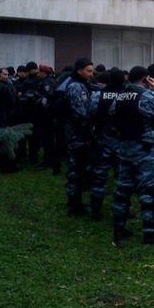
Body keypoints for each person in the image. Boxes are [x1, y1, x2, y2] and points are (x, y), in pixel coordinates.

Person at [111, 66, 154, 245]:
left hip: (125, 147)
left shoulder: (120, 96)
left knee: (123, 189)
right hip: (145, 148)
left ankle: (119, 228)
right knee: (147, 191)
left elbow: (112, 116)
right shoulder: (145, 97)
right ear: (146, 79)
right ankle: (149, 233)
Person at [88, 68, 125, 221]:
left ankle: (95, 209)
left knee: (99, 177)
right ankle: (121, 210)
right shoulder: (127, 95)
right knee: (122, 178)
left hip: (103, 140)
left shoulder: (99, 95)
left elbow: (90, 113)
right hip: (122, 142)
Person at [64, 58, 95, 216]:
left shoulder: (83, 85)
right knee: (76, 168)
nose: (91, 74)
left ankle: (75, 200)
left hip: (80, 133)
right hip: (77, 134)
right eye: (88, 71)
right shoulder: (76, 87)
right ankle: (74, 204)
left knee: (79, 168)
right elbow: (80, 112)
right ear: (79, 70)